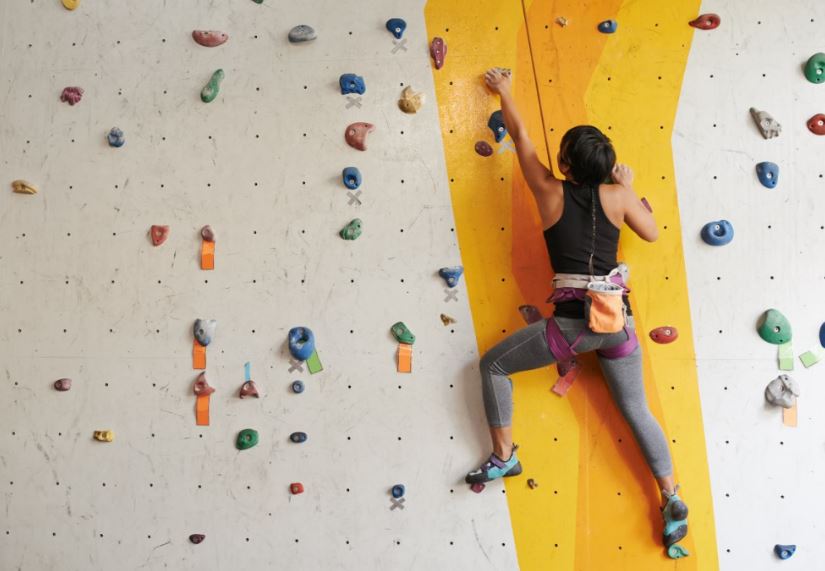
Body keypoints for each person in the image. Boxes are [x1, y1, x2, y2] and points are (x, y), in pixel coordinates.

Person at [465, 68, 688, 550]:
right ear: (605, 167)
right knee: (635, 408)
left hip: (575, 327)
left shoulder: (549, 192)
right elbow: (650, 232)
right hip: (619, 324)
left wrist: (505, 89)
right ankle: (670, 495)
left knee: (492, 365)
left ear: (565, 163)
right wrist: (623, 184)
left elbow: (521, 136)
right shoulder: (618, 194)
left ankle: (504, 455)